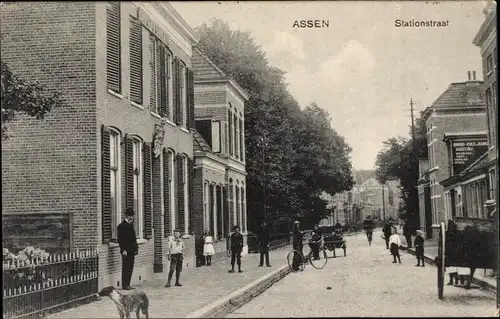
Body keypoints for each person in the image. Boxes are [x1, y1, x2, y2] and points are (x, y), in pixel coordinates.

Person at [117, 208, 138, 290]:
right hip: (126, 250)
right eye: (131, 216)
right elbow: (121, 239)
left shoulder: (130, 225)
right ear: (127, 216)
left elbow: (133, 239)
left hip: (131, 250)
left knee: (130, 267)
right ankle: (124, 284)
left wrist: (136, 248)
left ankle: (128, 283)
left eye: (132, 216)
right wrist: (123, 250)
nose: (132, 218)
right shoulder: (122, 226)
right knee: (126, 266)